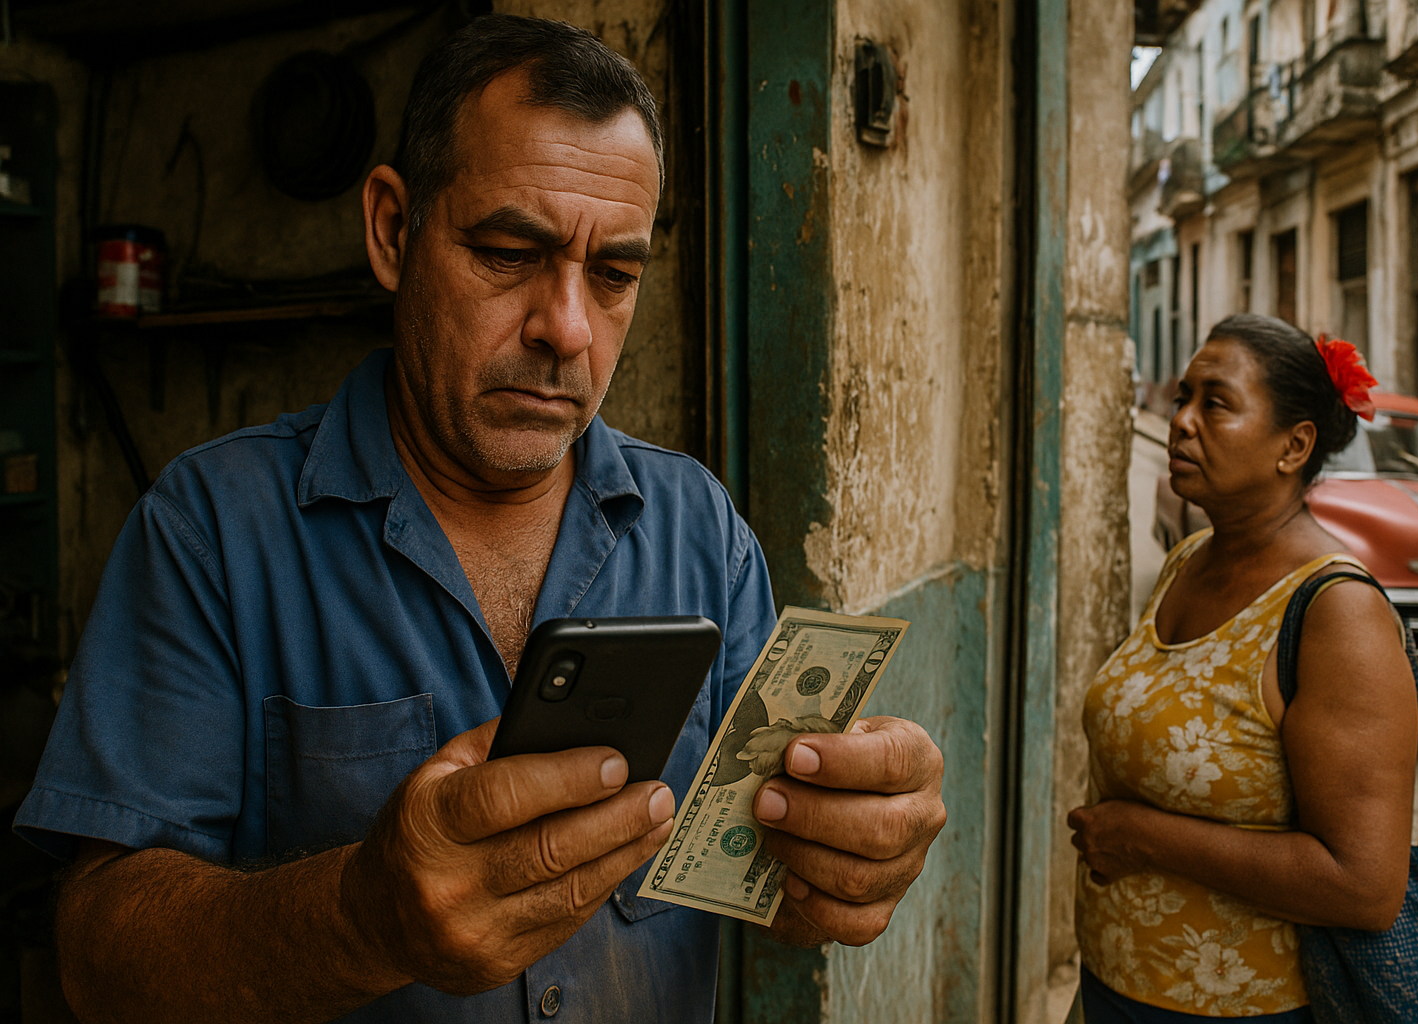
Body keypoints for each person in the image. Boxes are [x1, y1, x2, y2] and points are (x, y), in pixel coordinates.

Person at [14, 16, 946, 1024]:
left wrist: (843, 861)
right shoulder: (208, 532)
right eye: (508, 252)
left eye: (616, 274)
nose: (568, 328)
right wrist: (361, 918)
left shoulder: (699, 531)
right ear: (390, 230)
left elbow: (776, 878)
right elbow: (97, 959)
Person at [1067, 314, 1418, 1022]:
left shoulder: (1334, 613)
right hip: (1113, 987)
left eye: (1216, 403)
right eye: (1183, 398)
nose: (1181, 422)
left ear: (1295, 446)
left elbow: (1365, 886)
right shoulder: (1186, 564)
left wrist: (1143, 838)